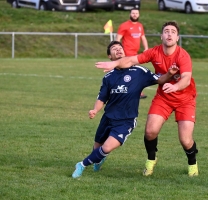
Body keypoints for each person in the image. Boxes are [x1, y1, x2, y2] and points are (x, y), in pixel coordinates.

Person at [95, 21, 199, 177]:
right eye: (166, 31)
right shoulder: (154, 52)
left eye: (172, 32)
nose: (169, 34)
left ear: (177, 37)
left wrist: (175, 87)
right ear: (161, 36)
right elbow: (130, 60)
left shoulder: (183, 55)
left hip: (185, 99)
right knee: (150, 131)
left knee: (185, 140)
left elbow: (185, 78)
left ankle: (192, 164)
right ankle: (151, 161)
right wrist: (115, 63)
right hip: (163, 97)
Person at [72, 41, 178, 179]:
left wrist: (169, 74)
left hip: (126, 120)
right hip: (108, 117)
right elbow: (102, 98)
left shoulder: (139, 71)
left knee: (107, 147)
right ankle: (98, 159)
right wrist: (95, 110)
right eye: (114, 49)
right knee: (98, 144)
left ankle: (81, 164)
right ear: (110, 57)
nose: (118, 50)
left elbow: (159, 80)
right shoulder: (109, 77)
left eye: (120, 48)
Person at [116, 8, 149, 99]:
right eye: (133, 13)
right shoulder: (124, 25)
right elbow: (117, 39)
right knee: (131, 73)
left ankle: (135, 92)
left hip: (135, 54)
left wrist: (146, 48)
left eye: (136, 13)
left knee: (135, 73)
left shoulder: (140, 26)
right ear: (130, 14)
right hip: (126, 54)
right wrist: (117, 51)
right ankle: (127, 92)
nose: (135, 14)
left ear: (138, 15)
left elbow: (143, 38)